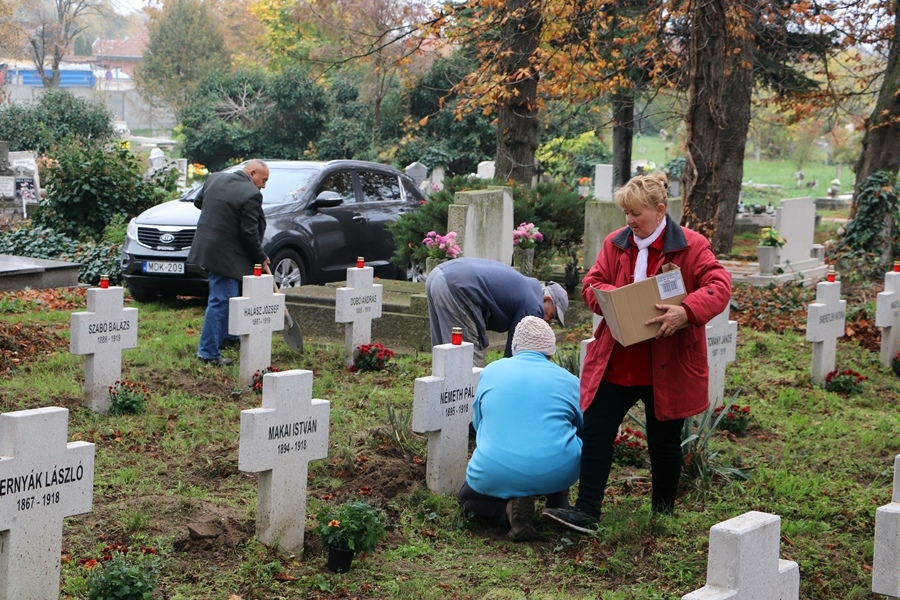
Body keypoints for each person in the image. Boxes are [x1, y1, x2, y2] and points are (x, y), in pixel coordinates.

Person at [543, 172, 731, 533]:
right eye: (625, 214)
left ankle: (662, 515)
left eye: (636, 214)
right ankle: (587, 513)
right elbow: (591, 282)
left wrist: (686, 311)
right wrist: (609, 300)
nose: (629, 222)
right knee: (596, 430)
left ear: (660, 210)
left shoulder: (692, 246)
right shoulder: (616, 242)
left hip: (667, 362)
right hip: (620, 359)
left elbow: (719, 285)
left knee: (663, 442)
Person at [458, 316, 582, 541]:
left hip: (494, 470)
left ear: (514, 347)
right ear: (551, 351)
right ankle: (557, 504)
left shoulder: (491, 371)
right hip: (558, 471)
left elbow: (478, 423)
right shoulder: (570, 380)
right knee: (563, 437)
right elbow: (579, 426)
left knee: (466, 500)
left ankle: (505, 510)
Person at [188, 159, 270, 366]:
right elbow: (249, 233)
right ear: (252, 173)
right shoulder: (252, 194)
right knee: (221, 300)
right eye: (263, 180)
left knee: (229, 295)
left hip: (206, 248)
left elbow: (199, 203)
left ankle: (226, 337)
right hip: (225, 254)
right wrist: (261, 256)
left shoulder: (215, 179)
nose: (264, 185)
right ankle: (208, 353)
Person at [426, 257, 569, 367]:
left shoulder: (528, 288)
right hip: (458, 286)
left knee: (443, 350)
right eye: (551, 316)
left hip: (437, 274)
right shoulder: (533, 305)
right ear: (546, 299)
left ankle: (441, 400)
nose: (547, 322)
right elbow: (516, 352)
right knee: (468, 361)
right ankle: (466, 404)